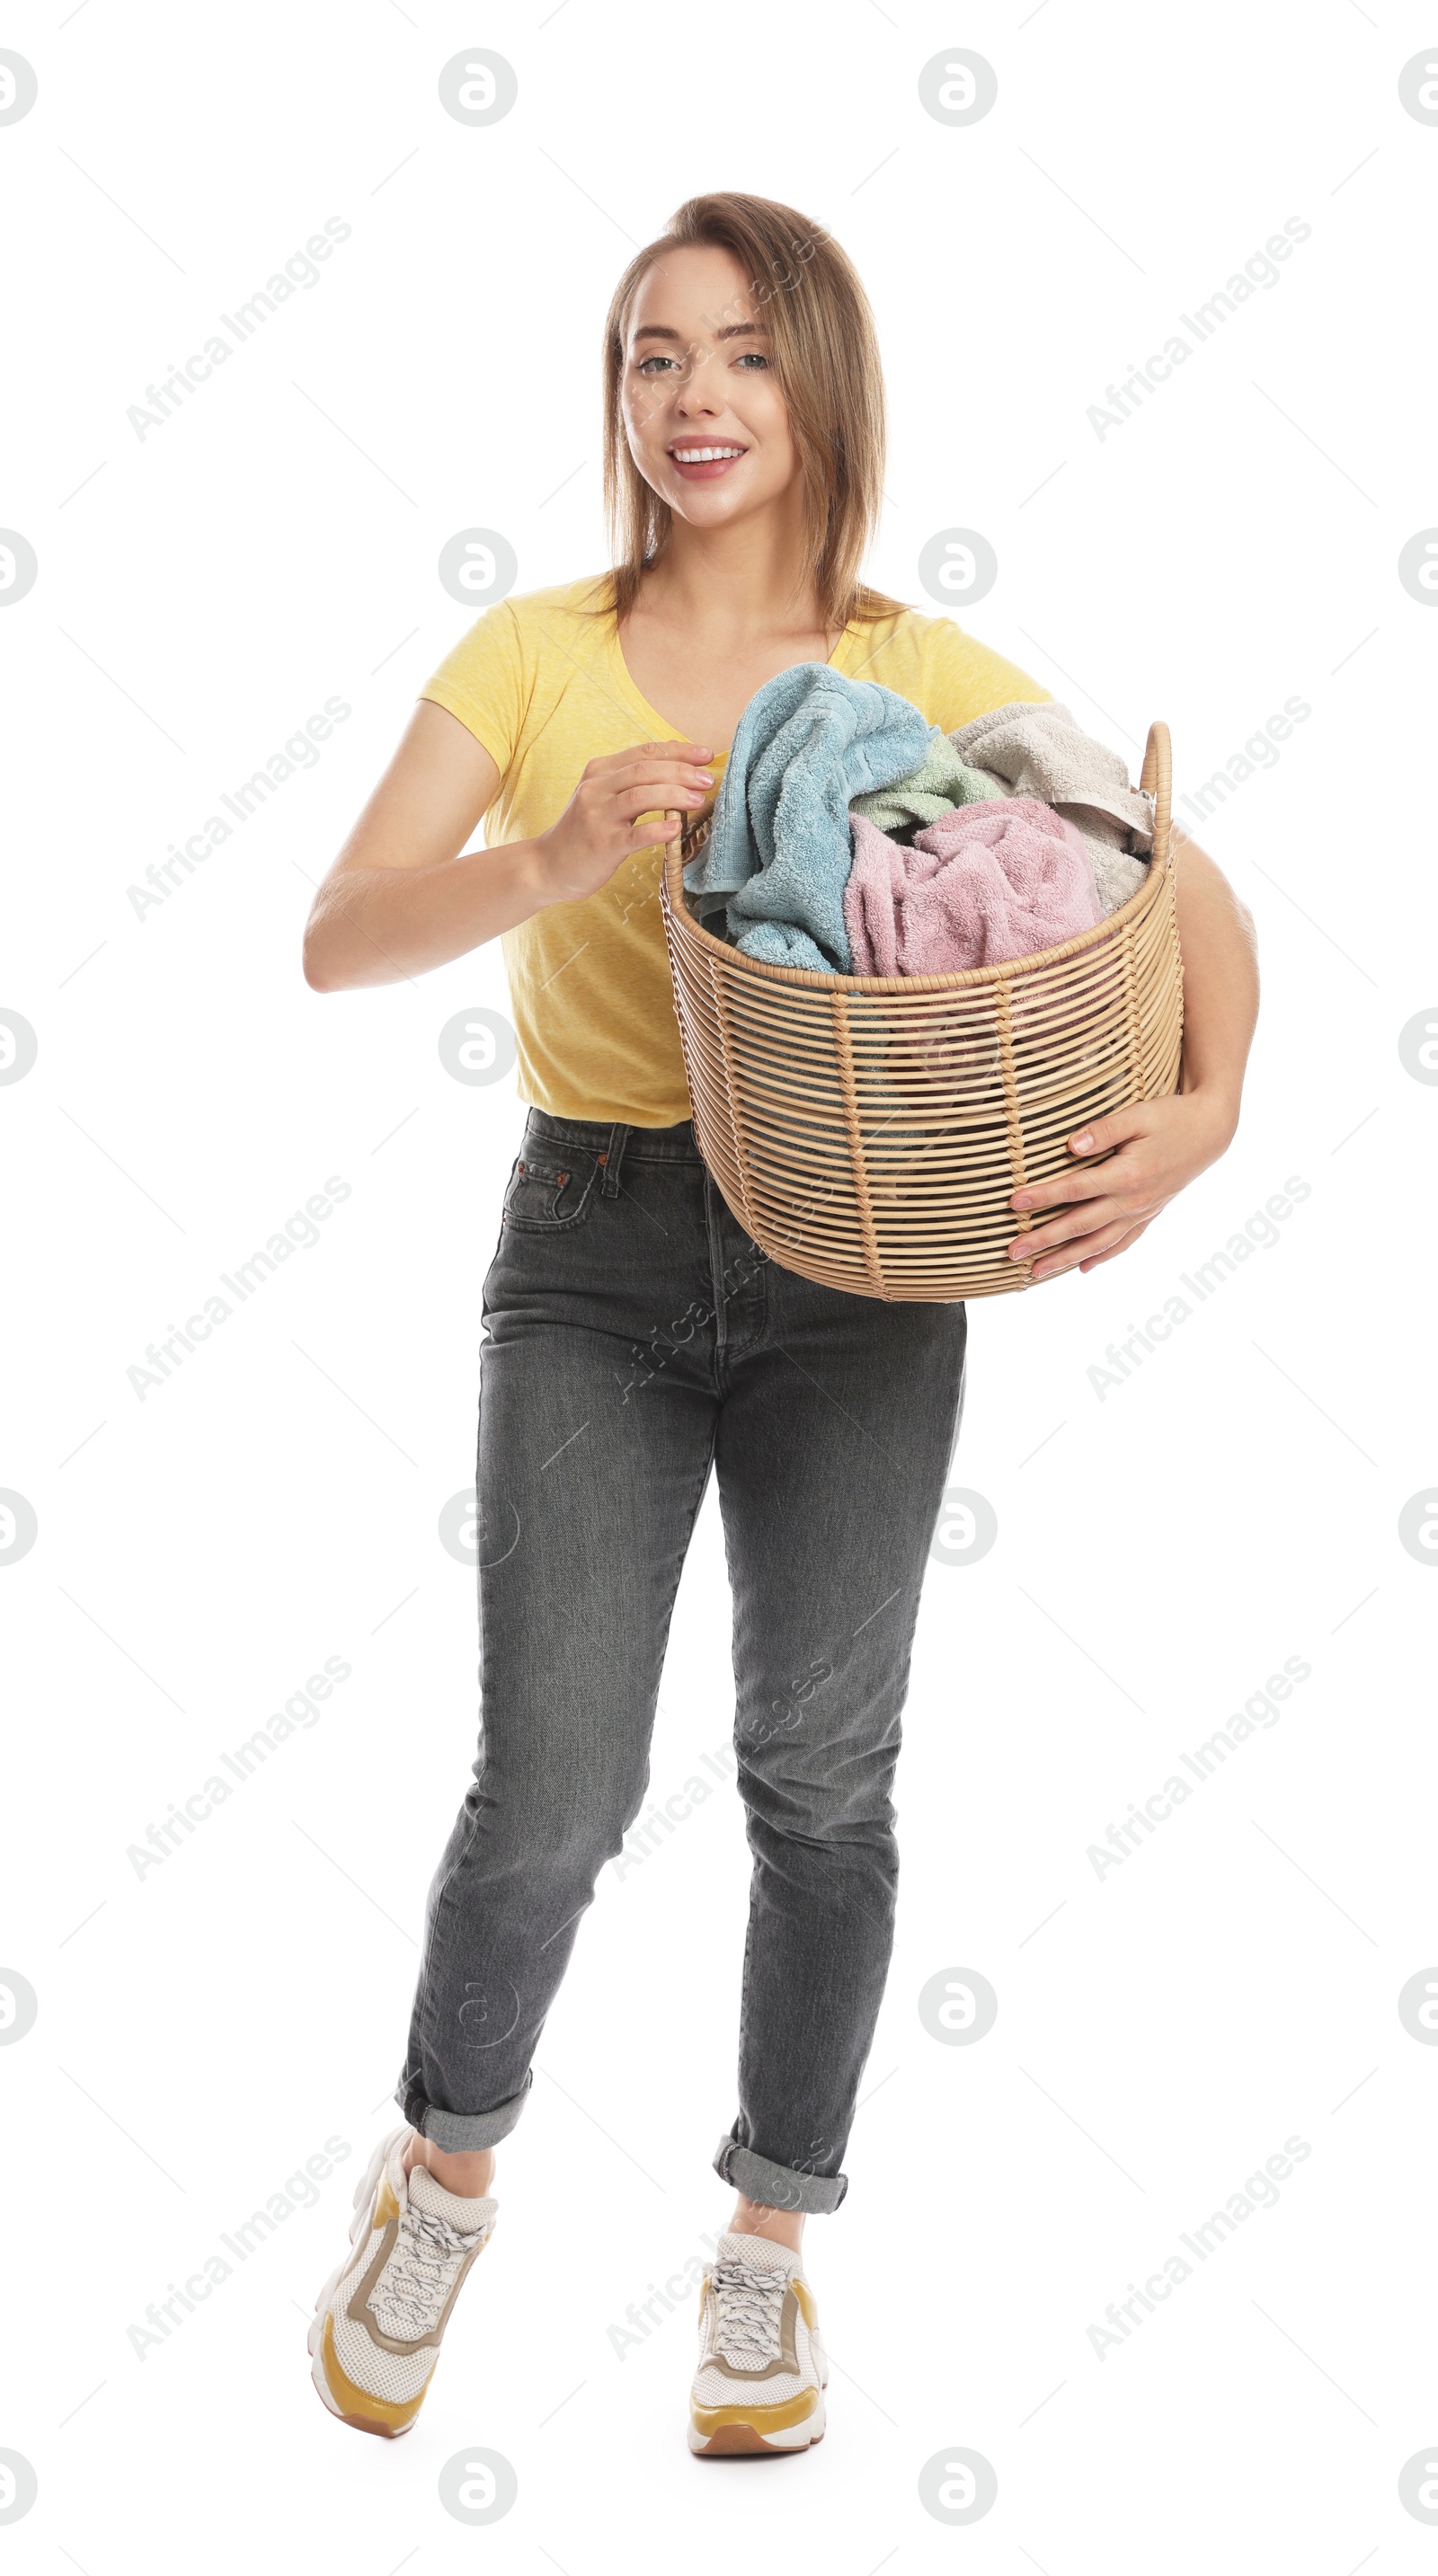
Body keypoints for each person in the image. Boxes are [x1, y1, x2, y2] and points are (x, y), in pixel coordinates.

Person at [300, 191, 1257, 2453]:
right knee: (549, 1796)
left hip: (865, 1270)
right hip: (595, 1250)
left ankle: (765, 2253)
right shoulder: (532, 656)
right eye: (651, 357)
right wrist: (548, 860)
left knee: (821, 1790)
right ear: (617, 399)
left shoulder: (911, 669)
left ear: (816, 382)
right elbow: (336, 934)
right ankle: (442, 2173)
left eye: (738, 352)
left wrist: (1204, 1120)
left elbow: (1173, 873)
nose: (693, 398)